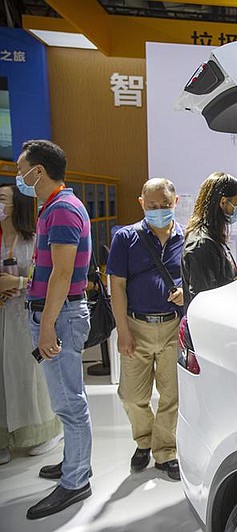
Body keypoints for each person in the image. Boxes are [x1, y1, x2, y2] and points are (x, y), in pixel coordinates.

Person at [12, 140, 92, 519]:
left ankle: (76, 481)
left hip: (58, 316)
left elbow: (62, 273)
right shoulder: (54, 207)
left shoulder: (61, 209)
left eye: (21, 169)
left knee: (69, 403)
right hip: (54, 312)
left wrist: (46, 328)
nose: (18, 177)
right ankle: (74, 462)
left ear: (38, 171)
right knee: (66, 399)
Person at [106, 178, 184, 481]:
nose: (159, 210)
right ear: (142, 204)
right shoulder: (126, 238)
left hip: (172, 327)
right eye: (152, 206)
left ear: (174, 202)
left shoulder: (186, 238)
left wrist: (185, 294)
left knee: (171, 395)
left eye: (164, 205)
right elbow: (118, 286)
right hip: (136, 326)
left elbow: (195, 282)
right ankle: (144, 440)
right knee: (130, 395)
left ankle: (165, 451)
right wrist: (122, 330)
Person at [0, 184, 63, 466]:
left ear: (18, 205)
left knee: (31, 375)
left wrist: (18, 283)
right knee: (3, 377)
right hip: (2, 313)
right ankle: (5, 437)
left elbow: (48, 278)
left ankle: (46, 431)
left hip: (28, 315)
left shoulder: (36, 239)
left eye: (2, 199)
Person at [182, 172, 237, 310]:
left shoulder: (213, 239)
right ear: (223, 202)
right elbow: (205, 300)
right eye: (236, 203)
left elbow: (219, 280)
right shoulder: (201, 244)